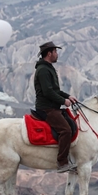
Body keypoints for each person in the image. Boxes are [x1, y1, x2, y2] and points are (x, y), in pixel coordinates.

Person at [34, 41, 78, 173]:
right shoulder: (43, 70)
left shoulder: (48, 68)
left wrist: (68, 96)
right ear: (49, 54)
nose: (57, 54)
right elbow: (48, 92)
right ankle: (62, 162)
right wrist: (63, 101)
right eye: (55, 52)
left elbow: (55, 89)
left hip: (53, 106)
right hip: (47, 108)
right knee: (65, 130)